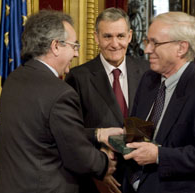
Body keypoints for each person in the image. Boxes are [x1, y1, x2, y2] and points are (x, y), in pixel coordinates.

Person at [0, 10, 124, 193]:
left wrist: (96, 134)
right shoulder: (60, 93)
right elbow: (79, 158)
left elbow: (44, 134)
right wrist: (105, 162)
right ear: (55, 46)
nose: (76, 53)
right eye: (74, 46)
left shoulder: (14, 79)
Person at [123, 11, 195, 193]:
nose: (147, 49)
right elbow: (139, 130)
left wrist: (159, 155)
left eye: (155, 43)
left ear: (181, 48)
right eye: (147, 41)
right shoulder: (148, 80)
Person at [65, 7, 148, 193]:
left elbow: (155, 120)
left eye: (120, 36)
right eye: (107, 36)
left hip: (143, 177)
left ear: (130, 36)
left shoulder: (146, 71)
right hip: (98, 180)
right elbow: (71, 133)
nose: (115, 43)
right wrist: (98, 169)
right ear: (96, 37)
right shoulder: (78, 77)